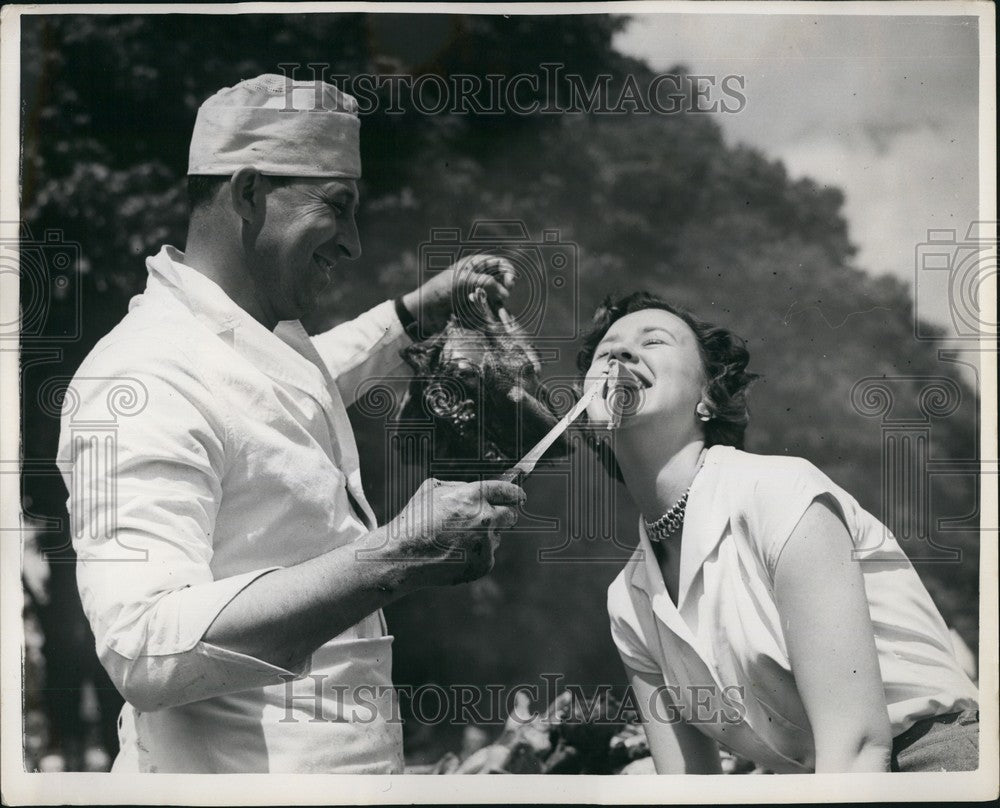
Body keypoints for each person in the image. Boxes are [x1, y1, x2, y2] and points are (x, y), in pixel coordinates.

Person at [55, 74, 525, 774]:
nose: (354, 244)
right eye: (337, 206)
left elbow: (282, 398)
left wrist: (414, 313)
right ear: (249, 193)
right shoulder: (142, 376)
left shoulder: (244, 346)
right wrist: (394, 556)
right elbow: (144, 648)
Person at [577, 291, 979, 773]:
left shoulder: (778, 493)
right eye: (606, 352)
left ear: (708, 397)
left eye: (653, 341)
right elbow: (687, 792)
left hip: (931, 766)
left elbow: (857, 747)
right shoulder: (628, 604)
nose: (620, 354)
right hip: (826, 786)